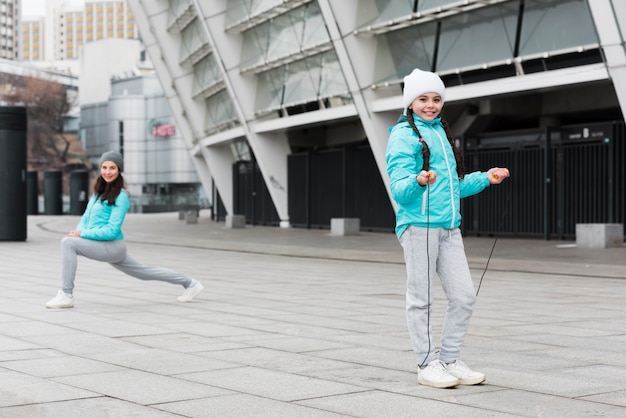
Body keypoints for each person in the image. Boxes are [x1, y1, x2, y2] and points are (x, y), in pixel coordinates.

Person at [386, 69, 510, 388]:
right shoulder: (403, 135)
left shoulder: (441, 132)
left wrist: (486, 178)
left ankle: (450, 359)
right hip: (419, 226)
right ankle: (427, 364)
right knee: (422, 297)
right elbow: (399, 188)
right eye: (423, 99)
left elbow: (454, 186)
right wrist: (418, 180)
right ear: (410, 102)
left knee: (465, 296)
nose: (431, 105)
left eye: (436, 99)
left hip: (449, 227)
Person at [46, 151, 204, 309]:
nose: (108, 172)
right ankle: (190, 283)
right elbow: (85, 218)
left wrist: (82, 234)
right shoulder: (97, 193)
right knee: (144, 272)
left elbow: (111, 230)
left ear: (119, 170)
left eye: (112, 168)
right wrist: (77, 231)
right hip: (102, 244)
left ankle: (66, 295)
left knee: (68, 244)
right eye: (104, 167)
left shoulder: (121, 197)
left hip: (112, 246)